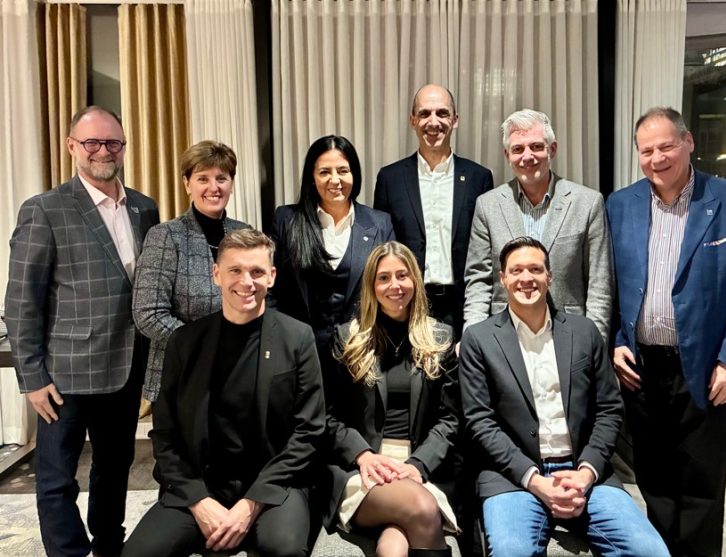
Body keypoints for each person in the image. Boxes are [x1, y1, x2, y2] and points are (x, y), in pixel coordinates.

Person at [606, 106, 726, 556]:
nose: (657, 158)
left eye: (666, 146)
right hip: (641, 370)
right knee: (654, 482)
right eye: (646, 150)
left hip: (709, 369)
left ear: (689, 142)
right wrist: (618, 342)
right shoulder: (621, 205)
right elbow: (613, 285)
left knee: (700, 486)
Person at [4, 106, 159, 557]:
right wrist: (31, 377)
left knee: (114, 468)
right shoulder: (45, 209)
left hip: (126, 366)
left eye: (113, 142)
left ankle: (109, 544)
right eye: (92, 142)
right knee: (56, 478)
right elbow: (21, 301)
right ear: (73, 146)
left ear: (124, 147)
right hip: (64, 376)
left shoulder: (144, 207)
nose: (103, 151)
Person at [460, 237, 669, 556]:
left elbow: (609, 411)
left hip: (584, 471)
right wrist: (534, 480)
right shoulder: (479, 339)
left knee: (649, 550)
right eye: (516, 270)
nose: (526, 278)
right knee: (512, 552)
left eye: (535, 269)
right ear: (502, 278)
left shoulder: (584, 332)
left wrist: (586, 473)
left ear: (550, 276)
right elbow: (480, 423)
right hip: (513, 477)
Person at [122, 229, 325, 557]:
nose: (246, 281)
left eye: (257, 271)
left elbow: (308, 432)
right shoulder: (185, 342)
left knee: (285, 550)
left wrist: (249, 505)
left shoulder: (298, 338)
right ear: (217, 274)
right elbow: (165, 434)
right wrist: (200, 503)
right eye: (235, 270)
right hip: (200, 485)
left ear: (271, 277)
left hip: (272, 486)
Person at [325, 241, 460, 557]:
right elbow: (329, 416)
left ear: (415, 279)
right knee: (421, 509)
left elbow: (450, 419)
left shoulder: (440, 338)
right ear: (371, 285)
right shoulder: (348, 338)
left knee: (394, 543)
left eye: (402, 275)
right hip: (364, 470)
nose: (395, 285)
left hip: (422, 467)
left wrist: (418, 464)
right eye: (384, 278)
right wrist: (363, 456)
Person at [463, 109, 612, 341]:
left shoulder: (588, 203)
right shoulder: (488, 205)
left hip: (569, 335)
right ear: (507, 154)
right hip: (504, 336)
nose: (527, 156)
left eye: (536, 146)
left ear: (552, 149)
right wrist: (474, 339)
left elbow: (599, 286)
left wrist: (594, 345)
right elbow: (478, 281)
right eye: (518, 149)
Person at [133, 140, 249, 403]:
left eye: (222, 178)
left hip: (236, 372)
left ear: (231, 183)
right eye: (202, 178)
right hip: (181, 373)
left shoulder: (245, 233)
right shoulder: (165, 236)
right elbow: (147, 314)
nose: (213, 187)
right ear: (187, 184)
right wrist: (206, 345)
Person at [374, 84, 493, 335]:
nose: (433, 121)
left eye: (442, 113)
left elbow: (484, 250)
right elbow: (383, 250)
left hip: (462, 307)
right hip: (407, 305)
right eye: (425, 113)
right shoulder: (390, 179)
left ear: (455, 119)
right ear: (412, 120)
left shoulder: (478, 178)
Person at [271, 135, 394, 370]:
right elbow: (270, 287)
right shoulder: (287, 220)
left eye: (343, 170)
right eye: (324, 172)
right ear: (312, 177)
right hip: (299, 353)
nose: (335, 180)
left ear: (354, 174)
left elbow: (390, 290)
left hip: (362, 353)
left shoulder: (380, 224)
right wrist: (279, 340)